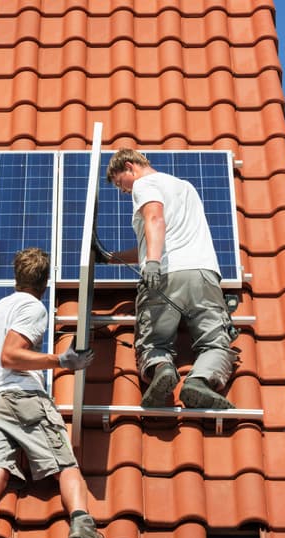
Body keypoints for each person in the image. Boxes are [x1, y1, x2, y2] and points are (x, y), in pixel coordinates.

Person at [0, 247, 123, 538]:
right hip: (22, 398)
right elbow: (10, 355)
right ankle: (82, 524)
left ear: (16, 276)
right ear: (45, 281)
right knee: (66, 464)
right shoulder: (32, 307)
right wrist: (61, 361)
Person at [98, 148, 238, 410]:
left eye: (120, 183)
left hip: (165, 276)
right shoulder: (185, 187)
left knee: (154, 341)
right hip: (203, 274)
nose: (123, 190)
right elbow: (161, 235)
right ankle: (199, 380)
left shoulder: (144, 184)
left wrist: (152, 262)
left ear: (129, 167)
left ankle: (161, 369)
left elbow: (155, 217)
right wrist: (112, 258)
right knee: (215, 341)